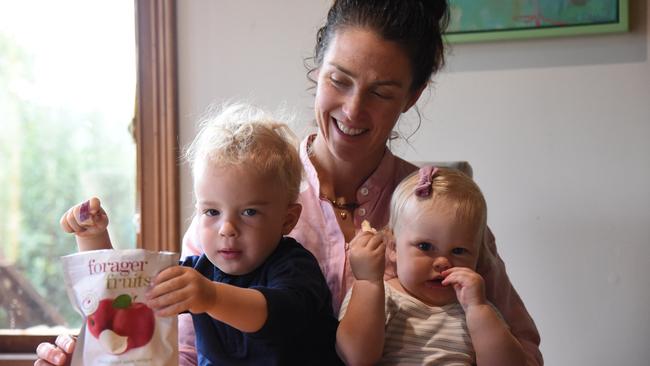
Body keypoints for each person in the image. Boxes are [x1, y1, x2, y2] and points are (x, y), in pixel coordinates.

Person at [36, 1, 542, 365]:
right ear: (315, 71)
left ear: (412, 97)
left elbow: (524, 353)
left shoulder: (438, 208)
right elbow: (183, 352)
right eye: (338, 80)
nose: (352, 110)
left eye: (382, 92)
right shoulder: (234, 203)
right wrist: (95, 355)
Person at [57, 103, 342, 365]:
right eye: (212, 212)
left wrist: (211, 297)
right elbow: (127, 292)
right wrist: (91, 236)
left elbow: (280, 316)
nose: (227, 229)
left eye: (249, 212)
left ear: (287, 220)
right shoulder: (198, 273)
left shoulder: (295, 266)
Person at [336, 166, 526, 365]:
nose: (443, 262)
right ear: (392, 248)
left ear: (478, 257)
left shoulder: (475, 308)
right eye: (425, 246)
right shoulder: (378, 295)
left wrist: (478, 309)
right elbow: (357, 358)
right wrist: (367, 281)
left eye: (459, 251)